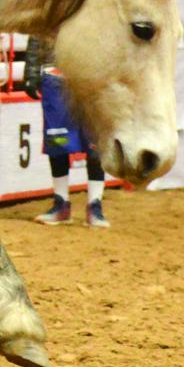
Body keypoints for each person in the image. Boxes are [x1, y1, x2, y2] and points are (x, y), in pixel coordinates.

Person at [25, 37, 107, 228]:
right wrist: (30, 73)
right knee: (57, 141)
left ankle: (94, 204)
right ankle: (62, 203)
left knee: (95, 141)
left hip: (92, 76)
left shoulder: (100, 7)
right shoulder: (49, 7)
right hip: (55, 74)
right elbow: (37, 31)